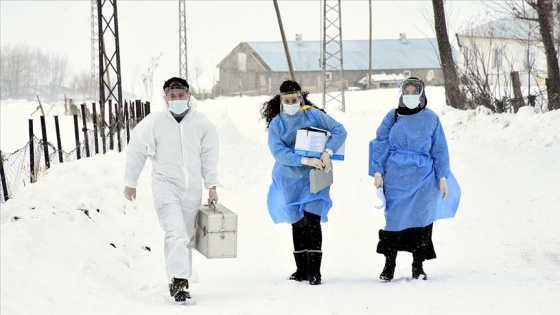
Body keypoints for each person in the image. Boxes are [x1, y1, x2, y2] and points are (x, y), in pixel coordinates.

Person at [123, 77, 220, 302]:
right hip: (165, 184)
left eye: (180, 95)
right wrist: (131, 181)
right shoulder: (154, 122)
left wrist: (212, 186)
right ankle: (178, 282)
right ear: (165, 98)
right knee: (175, 231)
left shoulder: (201, 123)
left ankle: (181, 277)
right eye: (172, 96)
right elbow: (136, 150)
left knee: (185, 235)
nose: (176, 99)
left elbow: (210, 157)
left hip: (191, 189)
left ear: (189, 96)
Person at [369, 77, 460, 281]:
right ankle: (389, 264)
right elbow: (380, 143)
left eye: (413, 92)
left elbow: (439, 148)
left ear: (421, 94)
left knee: (421, 221)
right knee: (393, 220)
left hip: (424, 178)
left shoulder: (431, 119)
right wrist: (377, 171)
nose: (409, 96)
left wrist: (442, 176)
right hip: (396, 178)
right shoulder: (392, 117)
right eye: (406, 92)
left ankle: (418, 266)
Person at [260, 80, 347, 285]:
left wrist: (328, 152)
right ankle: (301, 269)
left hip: (314, 177)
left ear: (301, 98)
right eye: (286, 100)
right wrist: (302, 159)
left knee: (312, 220)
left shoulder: (313, 115)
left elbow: (339, 130)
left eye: (294, 99)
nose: (291, 103)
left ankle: (315, 271)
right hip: (288, 178)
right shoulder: (277, 123)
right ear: (280, 100)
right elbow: (278, 151)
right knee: (298, 222)